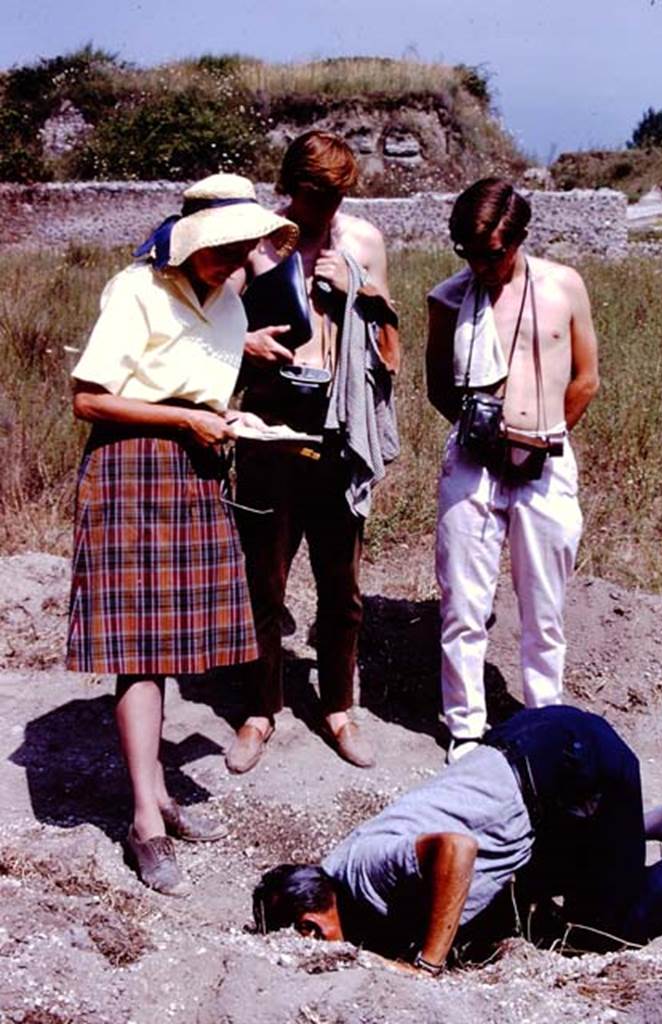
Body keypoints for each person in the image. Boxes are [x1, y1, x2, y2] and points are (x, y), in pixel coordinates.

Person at [66, 174, 298, 895]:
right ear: (190, 241)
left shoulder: (227, 301)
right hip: (132, 468)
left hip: (196, 469)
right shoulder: (135, 291)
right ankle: (144, 821)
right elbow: (87, 398)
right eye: (221, 250)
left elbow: (201, 379)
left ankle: (159, 789)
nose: (233, 263)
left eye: (242, 250)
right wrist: (184, 420)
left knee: (170, 642)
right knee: (139, 648)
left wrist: (236, 401)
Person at [253, 706, 662, 971]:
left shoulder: (365, 870)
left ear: (308, 928)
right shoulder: (339, 874)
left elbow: (457, 849)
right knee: (534, 904)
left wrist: (428, 962)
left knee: (604, 930)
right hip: (534, 753)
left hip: (572, 764)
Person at [225, 130, 400, 774]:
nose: (325, 211)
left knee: (342, 586)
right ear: (291, 189)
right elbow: (216, 329)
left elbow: (389, 344)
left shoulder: (363, 243)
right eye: (314, 197)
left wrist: (366, 294)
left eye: (336, 198)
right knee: (262, 580)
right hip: (270, 427)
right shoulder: (255, 242)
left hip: (338, 428)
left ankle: (337, 708)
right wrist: (247, 341)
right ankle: (260, 708)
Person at [426, 178, 600, 760]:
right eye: (469, 253)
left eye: (492, 253)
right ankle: (466, 728)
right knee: (464, 603)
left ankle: (544, 718)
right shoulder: (449, 298)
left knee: (544, 605)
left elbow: (585, 377)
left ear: (518, 238)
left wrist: (541, 436)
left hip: (546, 458)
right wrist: (486, 437)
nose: (481, 265)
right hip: (475, 464)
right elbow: (437, 385)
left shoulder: (563, 286)